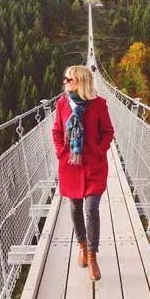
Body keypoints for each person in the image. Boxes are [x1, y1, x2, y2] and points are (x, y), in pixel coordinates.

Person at [52, 64, 114, 281]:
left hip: (94, 167)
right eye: (65, 79)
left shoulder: (99, 105)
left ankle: (92, 255)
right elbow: (57, 131)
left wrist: (98, 150)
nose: (65, 83)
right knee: (75, 208)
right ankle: (81, 244)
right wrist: (62, 152)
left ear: (80, 82)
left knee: (91, 209)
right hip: (70, 166)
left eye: (69, 80)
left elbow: (108, 132)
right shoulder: (61, 104)